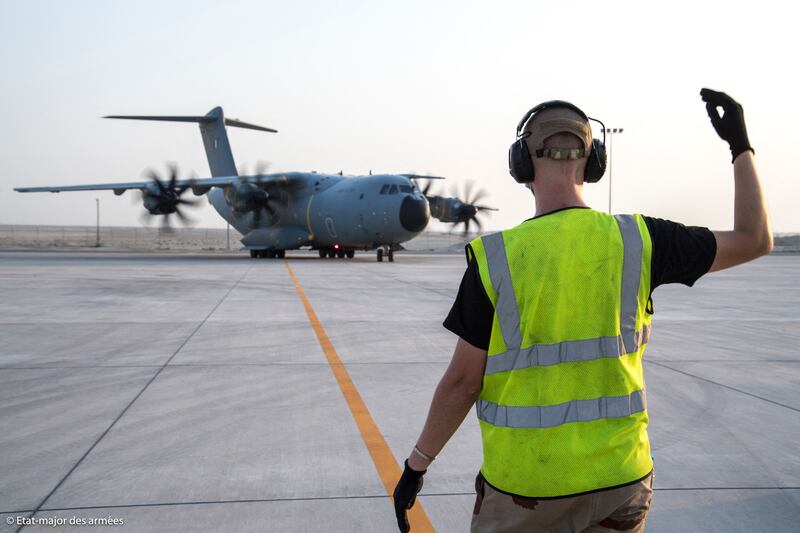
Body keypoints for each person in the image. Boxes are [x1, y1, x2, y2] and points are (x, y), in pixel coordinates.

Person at [392, 89, 772, 533]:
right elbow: (754, 238)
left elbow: (462, 383)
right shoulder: (641, 240)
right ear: (595, 161)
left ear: (521, 163)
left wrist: (417, 466)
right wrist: (740, 146)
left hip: (526, 488)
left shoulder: (497, 257)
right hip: (622, 481)